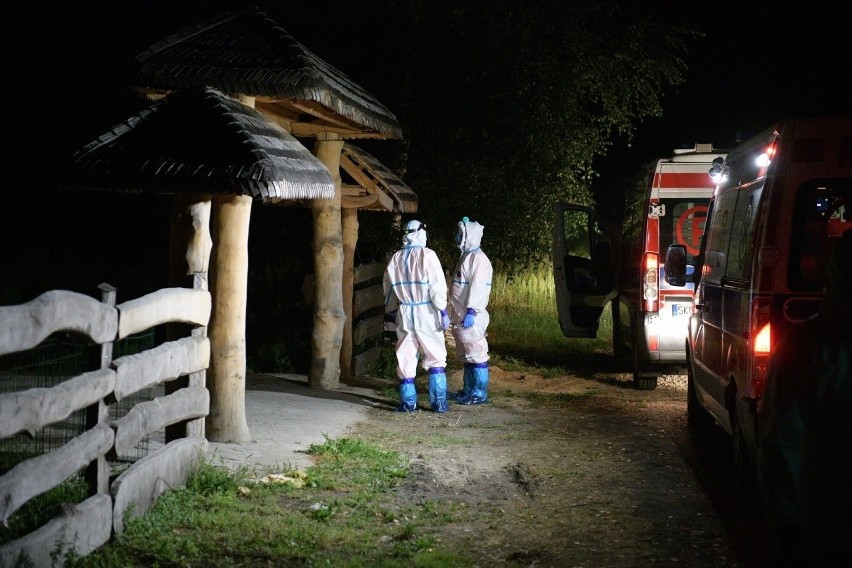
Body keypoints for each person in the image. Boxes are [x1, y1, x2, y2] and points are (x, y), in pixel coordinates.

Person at [757, 230, 852, 567]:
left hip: (822, 529)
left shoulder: (807, 346)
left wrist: (788, 529)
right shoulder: (810, 346)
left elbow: (780, 444)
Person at [383, 220, 451, 413]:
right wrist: (443, 310)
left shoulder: (396, 257)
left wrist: (390, 310)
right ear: (421, 233)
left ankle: (408, 402)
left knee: (405, 353)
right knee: (435, 354)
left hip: (405, 311)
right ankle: (439, 403)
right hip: (426, 311)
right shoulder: (428, 255)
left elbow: (387, 287)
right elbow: (437, 285)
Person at [448, 216, 493, 405]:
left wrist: (472, 312)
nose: (458, 237)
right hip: (461, 315)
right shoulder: (467, 257)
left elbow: (479, 287)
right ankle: (468, 390)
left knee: (477, 353)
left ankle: (479, 392)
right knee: (467, 354)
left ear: (470, 235)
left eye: (461, 233)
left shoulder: (479, 260)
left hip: (471, 317)